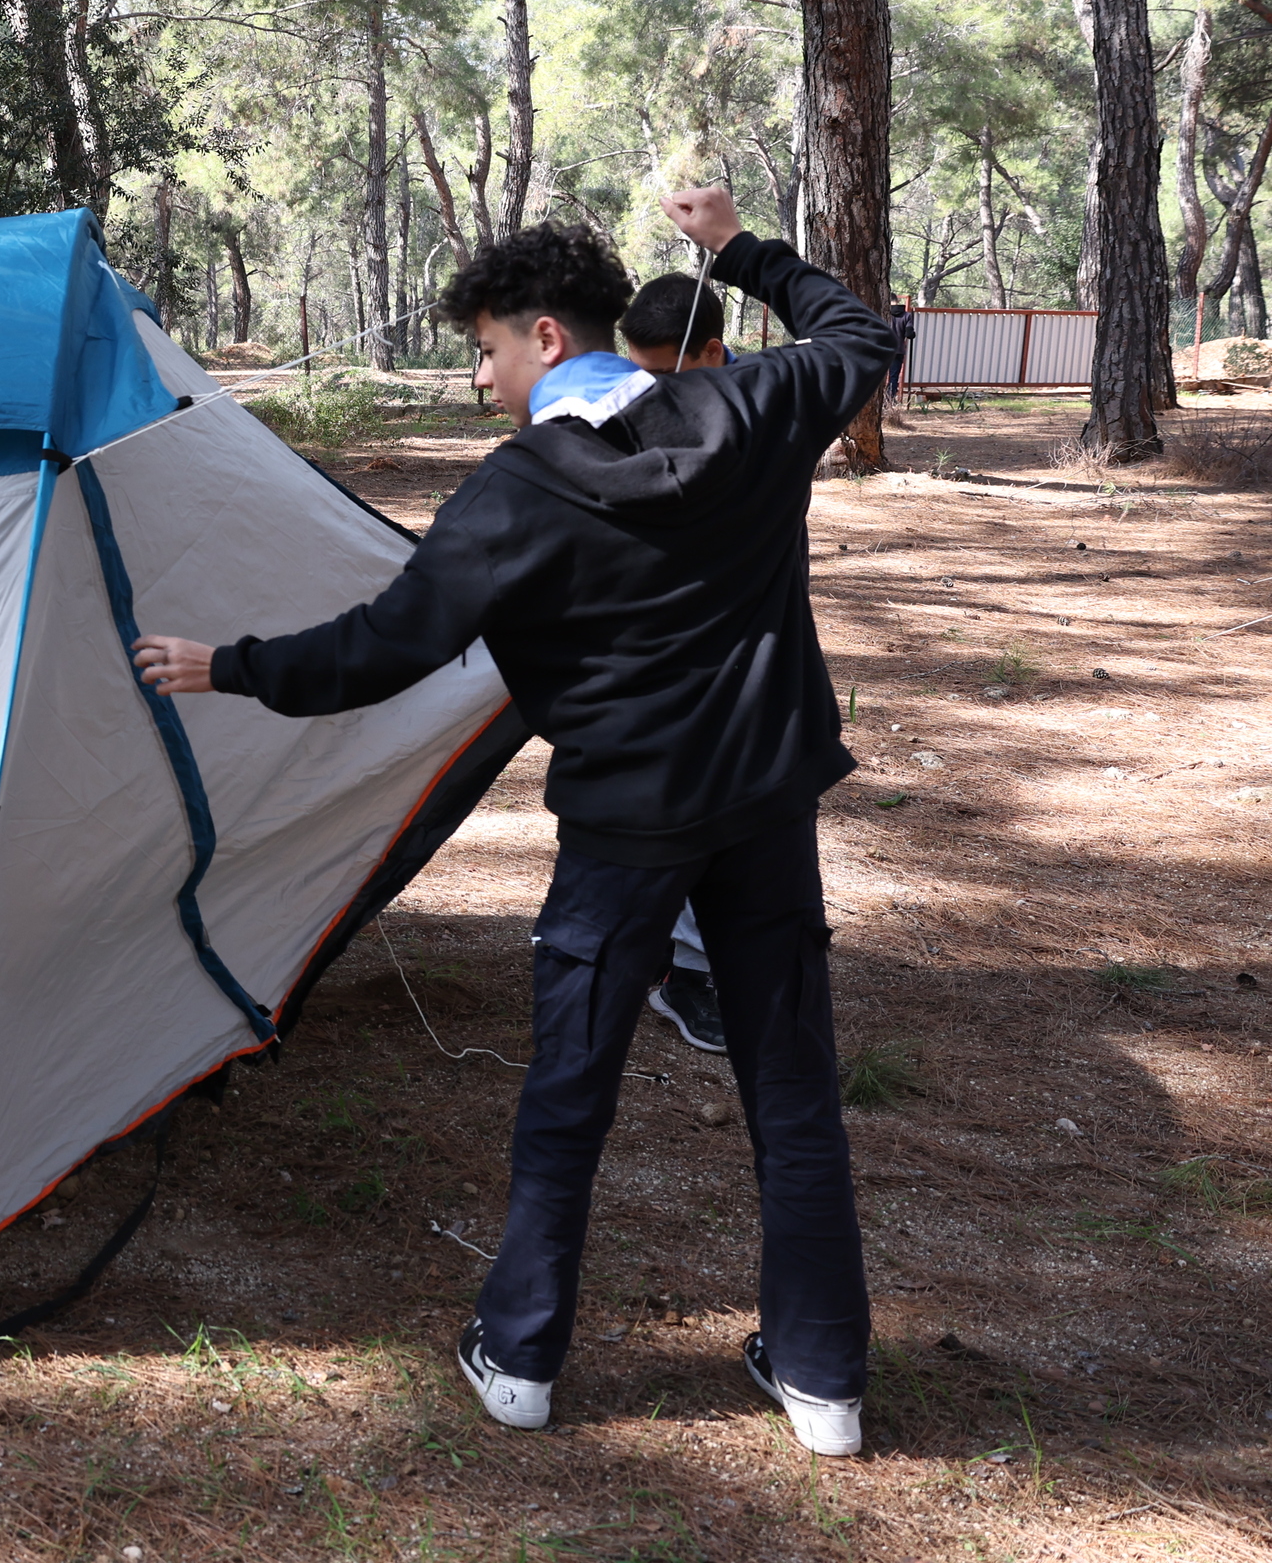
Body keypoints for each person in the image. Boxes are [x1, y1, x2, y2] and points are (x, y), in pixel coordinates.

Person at [129, 192, 891, 1458]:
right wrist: (735, 245)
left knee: (569, 1090)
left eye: (485, 350)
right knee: (794, 1089)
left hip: (623, 831)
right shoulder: (750, 406)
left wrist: (228, 665)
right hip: (765, 807)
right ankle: (824, 1382)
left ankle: (523, 1356)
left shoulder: (519, 490)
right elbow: (861, 334)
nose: (480, 380)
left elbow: (387, 647)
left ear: (546, 335)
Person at [614, 272, 735, 1053]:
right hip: (645, 645)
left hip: (723, 647)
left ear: (713, 354)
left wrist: (737, 251)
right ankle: (639, 947)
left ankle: (686, 968)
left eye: (664, 374)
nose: (648, 392)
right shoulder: (633, 407)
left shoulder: (760, 411)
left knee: (708, 805)